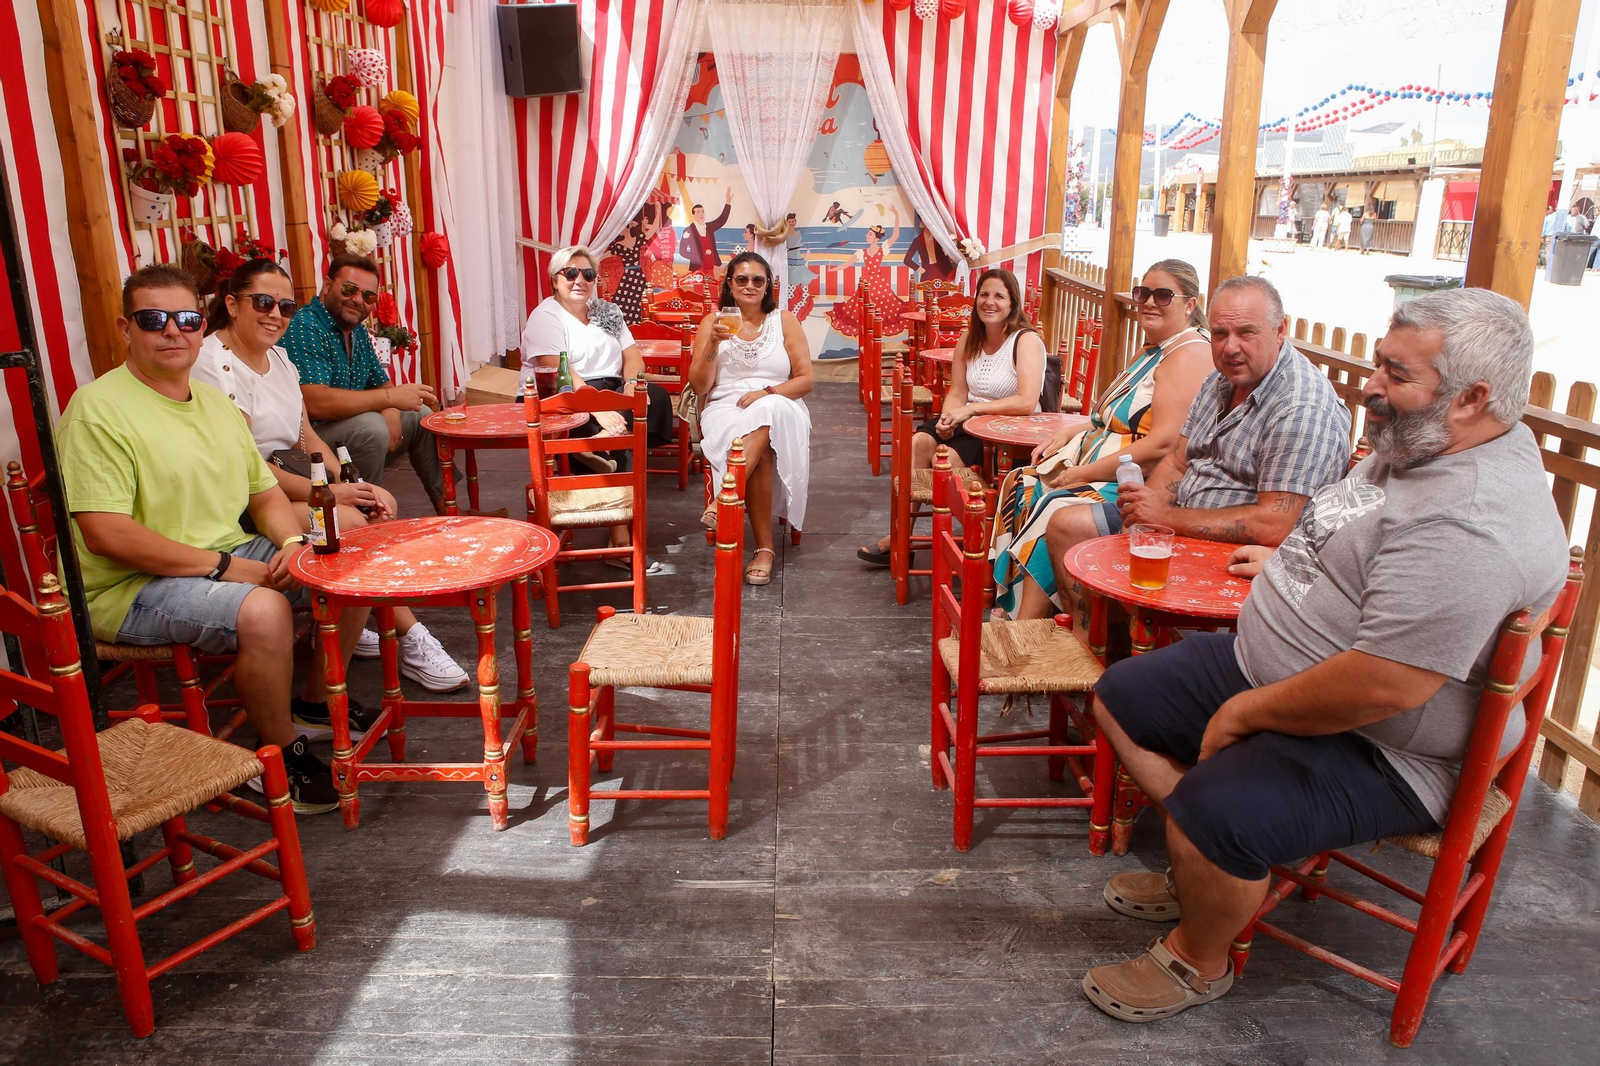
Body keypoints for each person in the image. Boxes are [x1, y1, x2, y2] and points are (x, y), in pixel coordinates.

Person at [1081, 287, 1569, 1025]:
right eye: (1379, 363)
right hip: (1282, 664)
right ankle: (1205, 863)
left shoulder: (1470, 522)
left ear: (1472, 398)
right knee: (1119, 696)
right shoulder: (1431, 438)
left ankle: (1197, 953)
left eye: (1396, 375)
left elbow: (1386, 683)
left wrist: (1241, 717)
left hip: (1382, 744)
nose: (1370, 386)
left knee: (1216, 810)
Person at [55, 265, 347, 813]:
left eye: (186, 318)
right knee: (264, 611)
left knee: (345, 553)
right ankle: (279, 751)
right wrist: (224, 567)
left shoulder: (214, 403)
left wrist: (290, 546)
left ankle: (309, 702)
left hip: (221, 554)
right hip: (128, 584)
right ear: (126, 328)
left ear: (201, 323)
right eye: (152, 319)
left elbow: (263, 494)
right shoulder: (98, 409)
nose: (172, 330)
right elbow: (105, 534)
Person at [192, 257, 470, 695]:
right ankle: (411, 638)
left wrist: (351, 480)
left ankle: (359, 625)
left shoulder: (279, 357)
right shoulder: (214, 364)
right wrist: (334, 494)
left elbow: (307, 439)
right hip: (245, 500)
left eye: (285, 307)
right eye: (263, 302)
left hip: (288, 482)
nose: (276, 315)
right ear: (231, 303)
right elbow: (248, 469)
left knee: (376, 505)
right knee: (351, 524)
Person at [990, 261, 1213, 620]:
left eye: (1162, 295)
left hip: (1130, 477)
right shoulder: (1156, 348)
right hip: (1096, 461)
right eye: (1143, 294)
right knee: (1021, 482)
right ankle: (1019, 606)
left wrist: (1084, 472)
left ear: (1190, 304)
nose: (1149, 302)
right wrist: (1071, 431)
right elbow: (1109, 417)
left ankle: (1026, 621)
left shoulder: (1187, 356)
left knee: (1054, 503)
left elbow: (1161, 445)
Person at [1112, 275, 1352, 547]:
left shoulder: (1302, 408)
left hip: (1237, 557)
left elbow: (1273, 525)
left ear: (1280, 329)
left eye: (1246, 332)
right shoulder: (1221, 379)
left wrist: (1165, 518)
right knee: (1066, 523)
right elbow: (1176, 463)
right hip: (1176, 528)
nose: (1230, 348)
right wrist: (1137, 528)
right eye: (1220, 334)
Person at [857, 268, 1046, 565]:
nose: (990, 302)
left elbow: (1026, 401)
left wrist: (969, 410)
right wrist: (948, 419)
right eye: (984, 294)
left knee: (945, 462)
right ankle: (900, 538)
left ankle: (966, 547)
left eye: (999, 296)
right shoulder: (969, 338)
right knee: (919, 442)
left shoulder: (1025, 340)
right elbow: (958, 392)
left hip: (1006, 427)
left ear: (1013, 304)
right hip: (968, 419)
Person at [520, 246, 673, 572]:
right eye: (570, 273)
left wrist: (631, 387)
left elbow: (632, 355)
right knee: (612, 431)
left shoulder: (606, 309)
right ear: (554, 280)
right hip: (562, 391)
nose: (580, 280)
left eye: (587, 274)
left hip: (611, 388)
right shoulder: (547, 315)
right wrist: (598, 407)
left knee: (654, 398)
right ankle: (620, 539)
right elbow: (557, 367)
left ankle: (600, 443)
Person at [280, 255, 459, 515]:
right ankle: (369, 513)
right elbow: (315, 402)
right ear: (327, 285)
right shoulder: (306, 326)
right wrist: (389, 400)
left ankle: (450, 510)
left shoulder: (358, 331)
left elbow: (381, 384)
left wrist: (391, 408)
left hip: (342, 434)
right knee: (371, 429)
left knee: (420, 416)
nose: (358, 300)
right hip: (307, 444)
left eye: (368, 297)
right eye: (349, 289)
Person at [689, 251, 813, 586]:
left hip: (779, 402)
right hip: (725, 408)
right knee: (759, 449)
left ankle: (723, 498)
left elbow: (806, 379)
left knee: (766, 413)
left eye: (758, 280)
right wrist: (713, 343)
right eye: (741, 279)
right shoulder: (712, 323)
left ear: (768, 286)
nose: (749, 286)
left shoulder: (784, 321)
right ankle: (765, 550)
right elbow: (699, 385)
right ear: (729, 283)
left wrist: (768, 393)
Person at [826, 207, 910, 338]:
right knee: (861, 306)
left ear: (876, 238)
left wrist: (897, 215)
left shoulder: (883, 249)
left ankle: (877, 330)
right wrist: (833, 269)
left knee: (886, 307)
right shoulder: (862, 252)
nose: (867, 235)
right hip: (867, 283)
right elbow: (848, 263)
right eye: (868, 233)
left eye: (870, 234)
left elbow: (896, 235)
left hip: (880, 283)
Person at [604, 219, 651, 325]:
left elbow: (652, 230)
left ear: (628, 227)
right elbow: (603, 256)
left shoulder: (637, 239)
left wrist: (657, 209)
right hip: (629, 276)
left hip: (637, 276)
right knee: (621, 301)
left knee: (639, 302)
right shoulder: (618, 245)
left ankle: (639, 326)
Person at [678, 188, 734, 272]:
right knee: (698, 285)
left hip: (711, 265)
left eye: (702, 211)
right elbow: (682, 251)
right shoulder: (688, 230)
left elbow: (722, 220)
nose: (701, 214)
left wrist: (728, 202)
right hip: (697, 267)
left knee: (712, 284)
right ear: (693, 215)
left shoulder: (709, 227)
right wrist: (696, 256)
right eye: (698, 212)